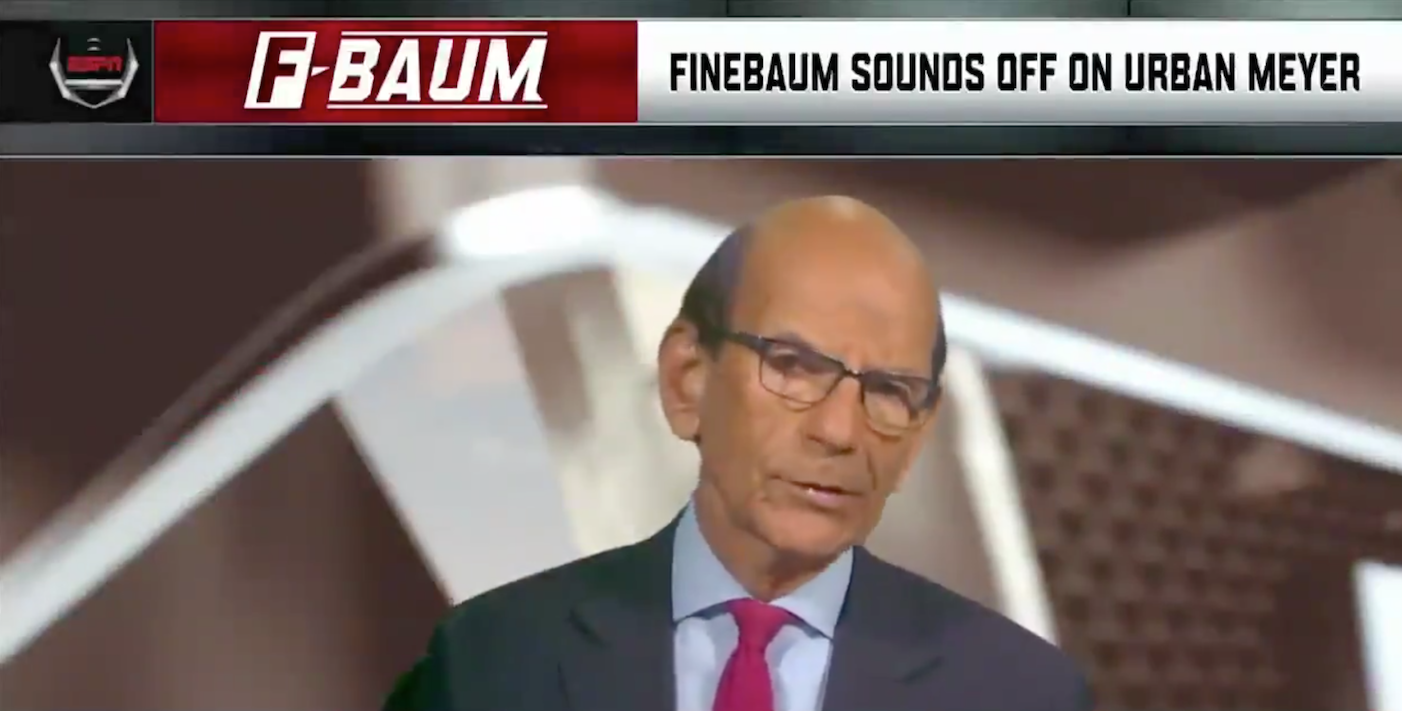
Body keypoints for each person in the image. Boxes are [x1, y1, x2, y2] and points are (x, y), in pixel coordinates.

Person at [384, 196, 1092, 711]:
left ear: (916, 439)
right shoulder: (490, 662)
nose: (839, 431)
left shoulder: (1022, 695)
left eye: (888, 391)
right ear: (688, 379)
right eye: (792, 366)